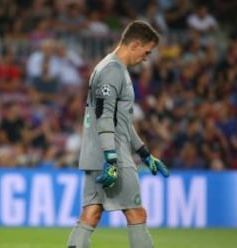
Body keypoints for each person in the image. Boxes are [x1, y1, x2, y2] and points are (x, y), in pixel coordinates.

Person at [66, 20, 170, 248]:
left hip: (96, 154)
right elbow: (105, 118)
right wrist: (112, 160)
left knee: (91, 213)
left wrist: (145, 154)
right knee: (137, 215)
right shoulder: (113, 72)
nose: (146, 58)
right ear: (135, 44)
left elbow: (120, 121)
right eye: (146, 52)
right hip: (113, 156)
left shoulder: (108, 68)